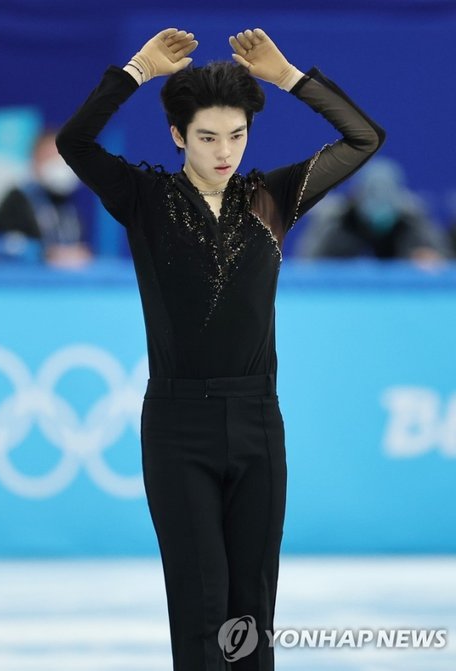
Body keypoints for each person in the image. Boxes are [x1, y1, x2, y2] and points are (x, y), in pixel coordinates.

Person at [56, 27, 385, 671]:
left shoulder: (274, 198)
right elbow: (75, 142)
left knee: (250, 615)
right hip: (178, 428)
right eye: (207, 137)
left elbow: (363, 138)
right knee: (201, 608)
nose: (225, 151)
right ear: (178, 136)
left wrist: (289, 78)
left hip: (258, 422)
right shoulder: (143, 199)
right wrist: (135, 70)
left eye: (236, 135)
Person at [297, 156, 451, 264]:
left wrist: (432, 260)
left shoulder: (413, 219)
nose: (379, 201)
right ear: (356, 195)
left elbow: (444, 265)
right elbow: (307, 266)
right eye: (372, 194)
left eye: (386, 194)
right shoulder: (335, 220)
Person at [0, 129, 92, 266]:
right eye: (51, 157)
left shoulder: (68, 202)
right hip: (27, 277)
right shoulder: (19, 198)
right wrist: (44, 253)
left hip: (63, 278)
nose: (60, 163)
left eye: (64, 157)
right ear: (35, 161)